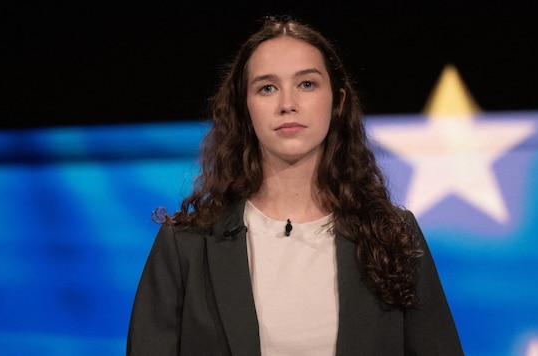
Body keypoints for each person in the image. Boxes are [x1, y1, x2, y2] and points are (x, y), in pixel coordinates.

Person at [127, 15, 463, 356]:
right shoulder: (187, 247)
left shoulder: (391, 236)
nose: (287, 104)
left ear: (338, 102)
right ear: (245, 109)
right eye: (267, 88)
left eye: (306, 84)